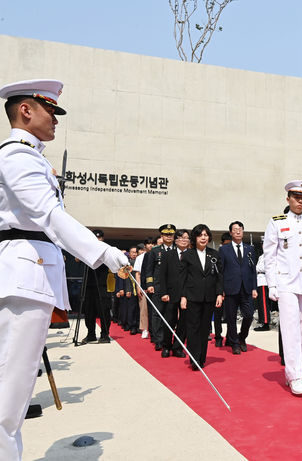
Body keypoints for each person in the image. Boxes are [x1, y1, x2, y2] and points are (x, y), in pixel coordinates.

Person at [0, 78, 128, 461]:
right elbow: (49, 216)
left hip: (28, 274)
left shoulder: (30, 157)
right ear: (26, 110)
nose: (56, 119)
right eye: (50, 111)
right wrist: (104, 252)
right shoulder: (17, 156)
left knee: (13, 396)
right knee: (9, 400)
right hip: (23, 277)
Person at [264, 183, 302, 395]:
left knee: (300, 330)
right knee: (289, 329)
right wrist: (271, 284)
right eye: (296, 197)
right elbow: (269, 257)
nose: (300, 201)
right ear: (288, 199)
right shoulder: (277, 222)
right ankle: (296, 376)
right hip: (285, 283)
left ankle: (292, 373)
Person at [180, 224, 223, 370]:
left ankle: (201, 358)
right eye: (200, 235)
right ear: (195, 238)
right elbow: (183, 278)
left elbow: (219, 276)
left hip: (209, 297)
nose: (203, 238)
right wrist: (183, 296)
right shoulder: (187, 255)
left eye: (205, 235)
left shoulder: (215, 254)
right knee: (193, 328)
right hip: (192, 296)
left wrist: (219, 293)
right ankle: (194, 358)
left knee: (205, 329)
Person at [218, 221, 258, 354]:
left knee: (249, 315)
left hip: (246, 288)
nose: (238, 231)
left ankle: (242, 337)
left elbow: (253, 270)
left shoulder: (249, 249)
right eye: (235, 229)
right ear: (230, 233)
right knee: (231, 317)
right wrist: (221, 289)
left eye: (240, 229)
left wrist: (254, 288)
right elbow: (221, 270)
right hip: (230, 288)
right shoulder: (224, 249)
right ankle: (234, 343)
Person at [155, 229, 190, 358]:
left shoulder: (192, 255)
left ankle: (178, 348)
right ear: (176, 240)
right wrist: (163, 292)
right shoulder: (167, 254)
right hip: (170, 294)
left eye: (186, 238)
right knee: (169, 320)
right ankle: (166, 346)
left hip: (187, 294)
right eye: (181, 237)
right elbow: (162, 276)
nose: (183, 240)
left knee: (183, 323)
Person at [142, 224, 176, 351]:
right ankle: (159, 340)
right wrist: (150, 285)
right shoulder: (155, 251)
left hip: (173, 288)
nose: (168, 236)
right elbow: (149, 270)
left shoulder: (177, 250)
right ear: (161, 236)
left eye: (171, 234)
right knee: (157, 314)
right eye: (166, 234)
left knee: (171, 315)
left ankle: (170, 338)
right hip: (158, 287)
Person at [80, 229, 113, 343]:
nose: (97, 240)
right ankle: (91, 334)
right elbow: (77, 259)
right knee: (89, 311)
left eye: (99, 238)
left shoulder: (106, 249)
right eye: (95, 238)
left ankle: (104, 334)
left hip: (103, 285)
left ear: (103, 239)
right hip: (89, 284)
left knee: (104, 311)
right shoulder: (86, 249)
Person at [133, 237, 154, 339]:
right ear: (145, 246)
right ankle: (145, 329)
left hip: (155, 286)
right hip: (143, 286)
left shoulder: (157, 254)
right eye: (148, 244)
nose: (150, 245)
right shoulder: (140, 257)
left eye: (152, 243)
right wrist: (138, 287)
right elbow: (137, 273)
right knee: (144, 309)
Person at [253, 251, 272, 331]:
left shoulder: (270, 255)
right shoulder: (261, 256)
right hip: (259, 279)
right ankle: (262, 321)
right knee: (260, 303)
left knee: (264, 303)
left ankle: (266, 322)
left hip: (264, 279)